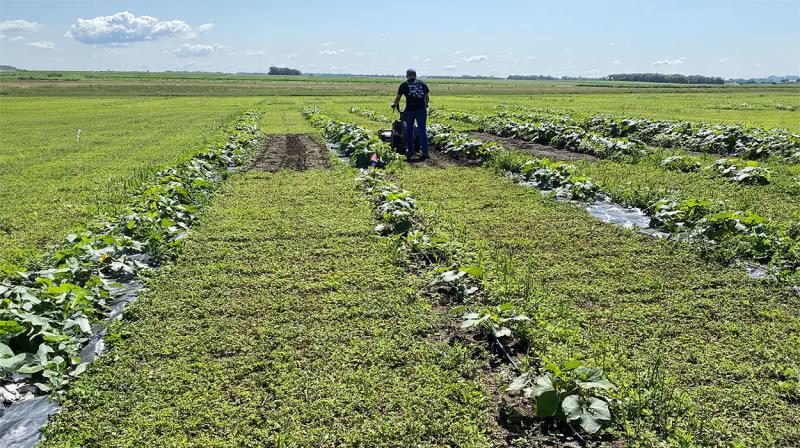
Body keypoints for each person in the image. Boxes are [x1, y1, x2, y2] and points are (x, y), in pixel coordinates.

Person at [392, 69, 430, 161]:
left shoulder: (404, 85)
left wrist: (394, 105)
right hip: (421, 110)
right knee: (422, 130)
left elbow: (398, 98)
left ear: (407, 75)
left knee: (409, 130)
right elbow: (427, 98)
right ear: (415, 75)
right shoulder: (423, 84)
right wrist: (424, 106)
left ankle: (410, 151)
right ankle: (425, 153)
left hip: (410, 110)